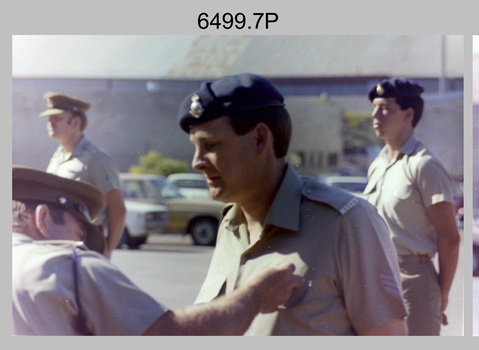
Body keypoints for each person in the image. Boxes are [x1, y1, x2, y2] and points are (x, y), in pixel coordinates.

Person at [178, 73, 408, 335]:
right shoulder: (230, 225)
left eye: (210, 145)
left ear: (260, 139)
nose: (197, 161)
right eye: (195, 147)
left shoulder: (346, 222)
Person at [12, 166, 304, 335]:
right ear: (43, 218)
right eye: (79, 233)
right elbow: (171, 336)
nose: (82, 244)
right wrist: (254, 296)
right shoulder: (68, 266)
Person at [363, 78, 461, 336]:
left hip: (412, 280)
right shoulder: (378, 164)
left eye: (385, 108)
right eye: (374, 107)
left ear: (408, 114)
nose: (375, 115)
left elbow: (450, 238)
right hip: (374, 277)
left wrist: (442, 295)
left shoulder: (424, 165)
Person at [41, 93, 127, 259]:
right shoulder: (58, 156)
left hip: (85, 243)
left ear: (76, 122)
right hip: (57, 243)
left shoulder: (96, 158)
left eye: (57, 118)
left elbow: (118, 209)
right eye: (49, 119)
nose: (51, 123)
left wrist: (107, 251)